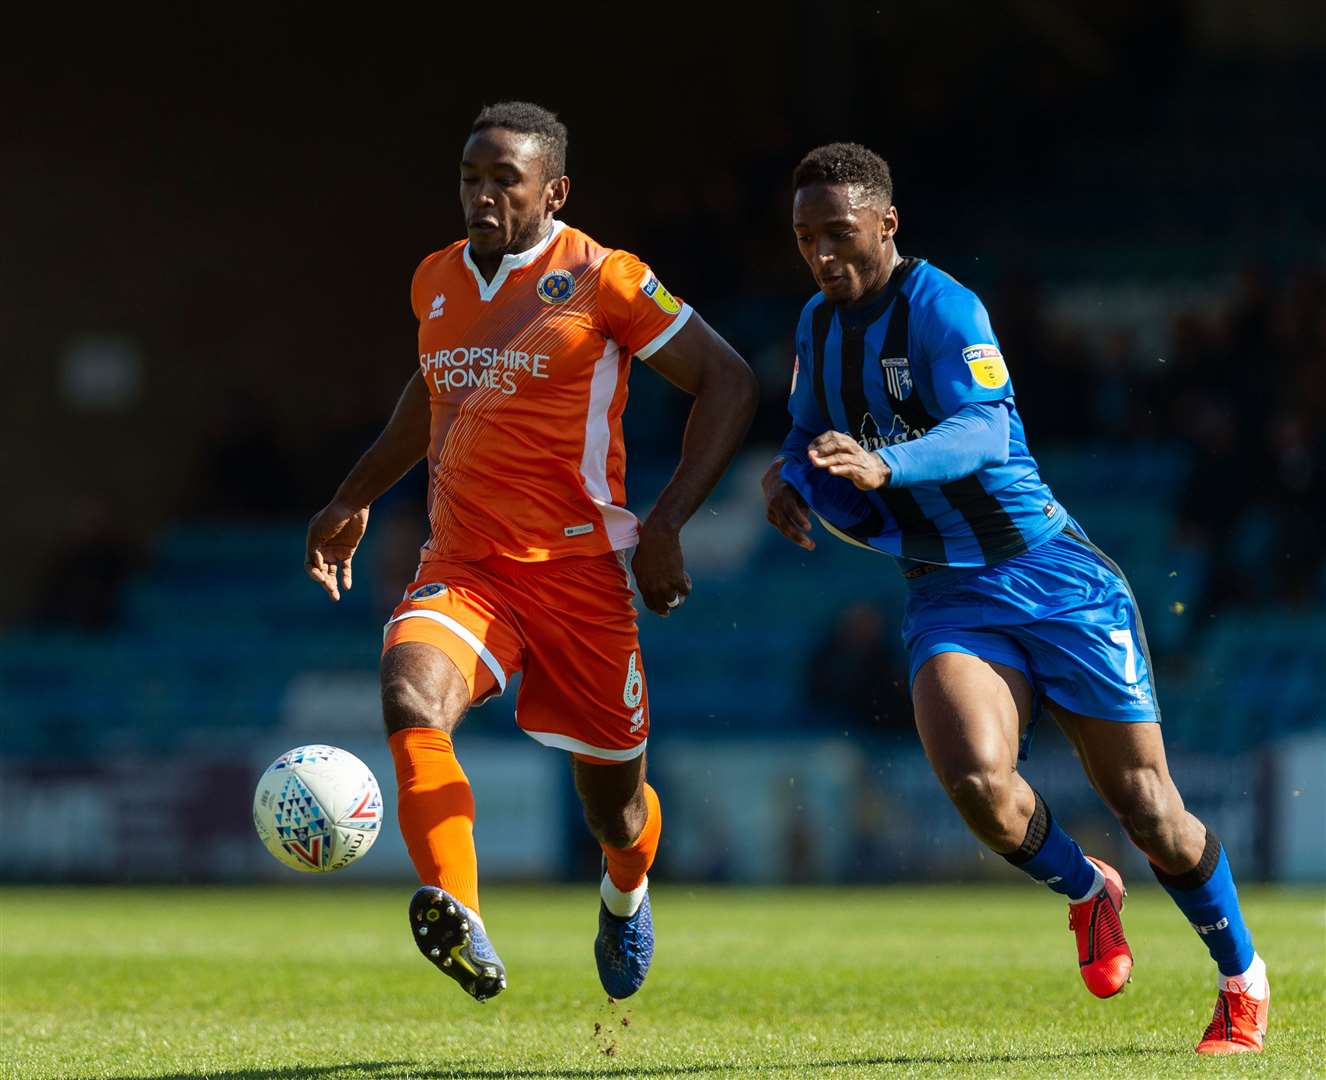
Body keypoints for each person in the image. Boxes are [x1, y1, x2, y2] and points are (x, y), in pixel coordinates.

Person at [761, 143, 1268, 1055]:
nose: (822, 254)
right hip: (949, 590)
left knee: (1148, 805)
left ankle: (1241, 979)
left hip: (1055, 579)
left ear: (887, 221)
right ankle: (1088, 892)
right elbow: (804, 431)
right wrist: (788, 475)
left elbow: (987, 429)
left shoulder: (945, 307)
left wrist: (888, 463)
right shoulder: (815, 324)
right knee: (974, 780)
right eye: (805, 238)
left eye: (838, 232)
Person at [305, 102, 758, 1003]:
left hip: (581, 578)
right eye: (471, 178)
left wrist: (664, 522)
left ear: (553, 190)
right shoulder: (434, 279)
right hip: (466, 569)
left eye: (503, 180)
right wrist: (353, 494)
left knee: (614, 809)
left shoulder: (606, 278)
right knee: (408, 695)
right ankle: (457, 908)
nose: (481, 195)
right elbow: (431, 393)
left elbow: (730, 380)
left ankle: (625, 895)